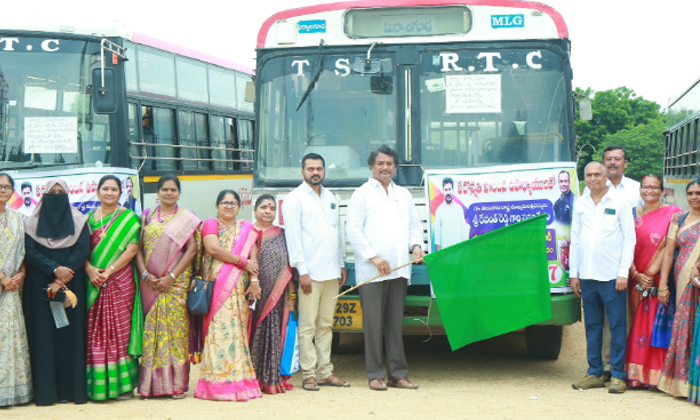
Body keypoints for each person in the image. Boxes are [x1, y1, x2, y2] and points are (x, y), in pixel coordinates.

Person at [347, 145, 424, 391]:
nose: (385, 167)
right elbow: (353, 231)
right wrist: (374, 258)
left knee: (394, 325)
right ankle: (375, 374)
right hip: (373, 272)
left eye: (389, 163)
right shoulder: (361, 194)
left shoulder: (403, 194)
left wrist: (416, 246)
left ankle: (398, 374)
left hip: (400, 269)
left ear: (395, 167)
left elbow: (414, 225)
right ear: (371, 166)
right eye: (380, 163)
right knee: (372, 325)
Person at [282, 153, 349, 391]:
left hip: (331, 272)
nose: (315, 172)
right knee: (308, 326)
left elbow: (335, 232)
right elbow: (293, 237)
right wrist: (302, 271)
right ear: (302, 172)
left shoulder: (330, 196)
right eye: (310, 168)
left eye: (319, 168)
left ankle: (325, 372)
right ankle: (309, 374)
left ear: (324, 171)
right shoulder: (294, 199)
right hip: (310, 273)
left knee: (326, 325)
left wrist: (341, 263)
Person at [22, 178, 91, 406]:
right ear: (44, 195)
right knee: (44, 336)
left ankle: (72, 392)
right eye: (53, 192)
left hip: (70, 286)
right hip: (40, 285)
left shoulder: (80, 221)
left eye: (62, 192)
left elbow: (82, 250)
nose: (58, 195)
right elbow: (29, 252)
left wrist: (61, 279)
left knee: (69, 336)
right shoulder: (31, 223)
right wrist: (53, 269)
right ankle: (46, 393)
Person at [570, 161, 635, 394]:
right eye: (589, 175)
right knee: (593, 326)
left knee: (618, 326)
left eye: (598, 174)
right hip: (587, 277)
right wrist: (574, 274)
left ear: (606, 175)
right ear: (584, 178)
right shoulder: (580, 203)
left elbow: (630, 239)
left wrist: (622, 273)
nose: (593, 178)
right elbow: (575, 239)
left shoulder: (620, 201)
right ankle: (595, 371)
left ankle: (618, 374)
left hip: (612, 277)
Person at [136, 174, 201, 399]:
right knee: (152, 333)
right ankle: (150, 386)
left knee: (177, 334)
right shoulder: (146, 217)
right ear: (158, 192)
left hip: (177, 283)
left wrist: (172, 276)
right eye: (165, 189)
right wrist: (145, 274)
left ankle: (177, 385)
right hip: (150, 283)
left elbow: (192, 250)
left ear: (179, 193)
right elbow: (137, 248)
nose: (169, 193)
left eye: (173, 190)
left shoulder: (187, 218)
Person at [194, 190, 262, 401]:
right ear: (217, 206)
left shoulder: (247, 229)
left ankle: (239, 382)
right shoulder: (210, 224)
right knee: (217, 334)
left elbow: (253, 258)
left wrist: (254, 281)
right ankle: (215, 384)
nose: (229, 206)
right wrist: (241, 263)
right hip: (215, 288)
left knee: (237, 333)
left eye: (233, 203)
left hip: (239, 289)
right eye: (224, 202)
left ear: (240, 207)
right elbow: (213, 249)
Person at [84, 175, 142, 401]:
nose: (109, 193)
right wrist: (89, 269)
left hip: (120, 280)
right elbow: (81, 251)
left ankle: (124, 386)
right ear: (98, 192)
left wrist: (108, 270)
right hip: (93, 280)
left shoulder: (129, 218)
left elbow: (132, 249)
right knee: (95, 331)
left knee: (120, 331)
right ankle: (96, 385)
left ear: (121, 193)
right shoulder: (87, 220)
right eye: (105, 189)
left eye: (114, 189)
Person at [625, 174, 681, 388]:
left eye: (654, 187)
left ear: (662, 190)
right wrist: (636, 274)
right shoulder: (630, 214)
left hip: (658, 278)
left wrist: (649, 275)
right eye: (646, 187)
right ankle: (636, 375)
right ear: (640, 190)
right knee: (636, 325)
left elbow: (669, 246)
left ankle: (657, 377)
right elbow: (624, 246)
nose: (650, 190)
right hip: (634, 277)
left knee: (655, 325)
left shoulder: (673, 213)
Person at [657, 179, 700, 401]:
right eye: (691, 193)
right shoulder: (679, 218)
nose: (694, 197)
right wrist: (663, 284)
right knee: (683, 327)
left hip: (698, 281)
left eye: (699, 193)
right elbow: (668, 251)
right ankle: (681, 384)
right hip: (681, 282)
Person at [249, 194, 296, 394]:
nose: (268, 211)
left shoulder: (283, 234)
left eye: (271, 208)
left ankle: (270, 377)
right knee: (253, 332)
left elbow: (290, 267)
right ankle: (252, 377)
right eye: (263, 207)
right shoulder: (248, 232)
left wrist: (292, 295)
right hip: (254, 292)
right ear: (255, 210)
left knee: (275, 332)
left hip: (278, 294)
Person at [0, 173, 32, 407]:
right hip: (4, 282)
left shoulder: (19, 219)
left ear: (12, 192)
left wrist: (20, 274)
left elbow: (24, 251)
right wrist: (2, 278)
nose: (2, 190)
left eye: (6, 187)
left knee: (11, 337)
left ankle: (12, 391)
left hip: (12, 288)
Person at [432, 177, 469, 251]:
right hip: (445, 251)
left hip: (458, 250)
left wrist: (464, 248)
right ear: (443, 191)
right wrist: (438, 250)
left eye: (449, 189)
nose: (448, 192)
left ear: (453, 190)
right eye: (446, 190)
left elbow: (464, 230)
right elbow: (437, 231)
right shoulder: (439, 210)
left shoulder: (459, 208)